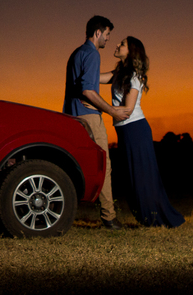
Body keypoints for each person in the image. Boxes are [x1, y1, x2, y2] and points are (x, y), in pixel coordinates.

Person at [102, 36, 185, 227]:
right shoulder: (119, 73)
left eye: (121, 44)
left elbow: (128, 110)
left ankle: (156, 218)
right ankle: (147, 217)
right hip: (124, 132)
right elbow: (95, 77)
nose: (116, 45)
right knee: (131, 177)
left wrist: (100, 106)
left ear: (131, 51)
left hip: (136, 130)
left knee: (142, 176)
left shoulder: (134, 76)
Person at [63, 15, 131, 230]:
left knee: (75, 165)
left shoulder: (77, 53)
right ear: (98, 33)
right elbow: (87, 90)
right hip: (89, 117)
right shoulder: (92, 54)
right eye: (108, 34)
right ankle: (109, 217)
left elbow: (85, 84)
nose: (108, 39)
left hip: (71, 115)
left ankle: (65, 212)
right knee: (104, 165)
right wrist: (112, 111)